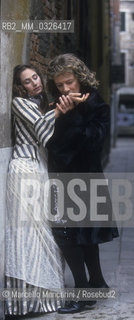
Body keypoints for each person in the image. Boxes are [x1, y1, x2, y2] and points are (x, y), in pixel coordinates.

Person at [4, 64, 85, 316]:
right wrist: (62, 110)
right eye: (27, 81)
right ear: (20, 86)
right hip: (24, 171)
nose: (34, 83)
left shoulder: (43, 104)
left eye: (35, 77)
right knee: (27, 236)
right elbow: (42, 132)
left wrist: (60, 110)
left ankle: (45, 298)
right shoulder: (19, 103)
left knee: (47, 236)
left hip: (40, 171)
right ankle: (25, 303)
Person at [46, 53, 119, 314]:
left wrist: (71, 116)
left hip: (85, 177)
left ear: (80, 78)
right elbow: (52, 145)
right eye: (60, 85)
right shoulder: (57, 105)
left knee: (71, 235)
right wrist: (60, 117)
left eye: (69, 83)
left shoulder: (96, 105)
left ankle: (83, 294)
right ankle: (96, 283)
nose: (66, 89)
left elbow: (92, 144)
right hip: (62, 179)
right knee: (81, 234)